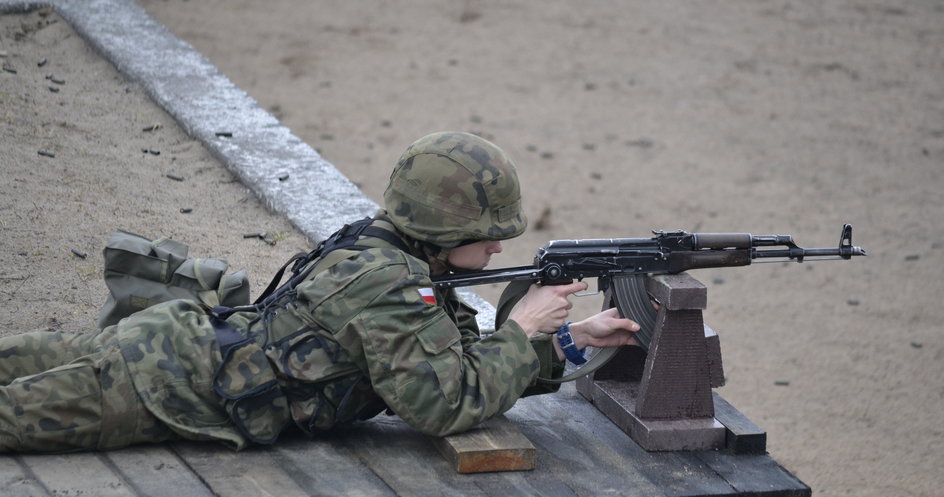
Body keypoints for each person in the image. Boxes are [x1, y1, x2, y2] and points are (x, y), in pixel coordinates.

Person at [0, 132, 639, 453]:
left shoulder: (385, 247)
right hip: (163, 390)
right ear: (447, 228)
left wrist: (567, 338)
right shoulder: (391, 285)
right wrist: (522, 326)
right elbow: (445, 404)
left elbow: (460, 363)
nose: (499, 247)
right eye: (488, 233)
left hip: (174, 347)